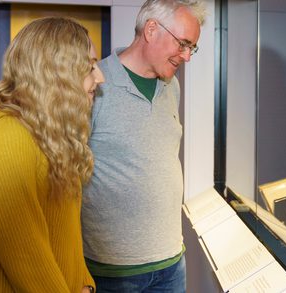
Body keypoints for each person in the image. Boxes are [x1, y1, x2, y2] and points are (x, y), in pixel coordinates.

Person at [0, 17, 105, 292]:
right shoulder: (1, 133)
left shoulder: (48, 135)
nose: (100, 77)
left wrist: (86, 286)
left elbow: (66, 240)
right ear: (57, 72)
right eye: (90, 66)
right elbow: (27, 261)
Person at [80, 0, 205, 292]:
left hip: (172, 263)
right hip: (113, 272)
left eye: (192, 48)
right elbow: (68, 175)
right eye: (183, 44)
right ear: (151, 29)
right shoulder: (96, 83)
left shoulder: (171, 85)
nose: (187, 56)